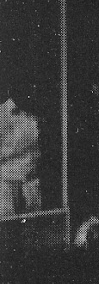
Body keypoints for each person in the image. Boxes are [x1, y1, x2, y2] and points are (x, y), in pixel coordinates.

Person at [0, 77, 42, 218]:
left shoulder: (33, 115)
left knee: (31, 229)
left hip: (30, 182)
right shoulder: (2, 114)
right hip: (6, 184)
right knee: (7, 228)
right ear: (11, 91)